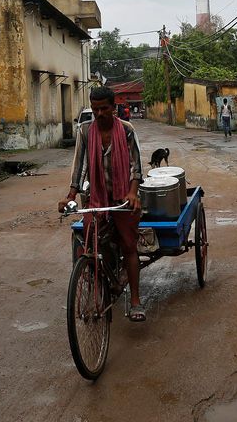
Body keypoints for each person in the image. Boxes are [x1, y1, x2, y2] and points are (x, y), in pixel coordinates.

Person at [59, 86, 146, 321]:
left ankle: (136, 301)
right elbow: (80, 167)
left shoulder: (126, 130)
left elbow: (135, 167)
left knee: (129, 245)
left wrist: (132, 193)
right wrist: (70, 195)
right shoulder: (85, 131)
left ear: (113, 107)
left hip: (122, 198)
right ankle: (102, 288)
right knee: (90, 243)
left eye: (104, 109)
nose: (99, 114)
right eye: (95, 109)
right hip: (96, 198)